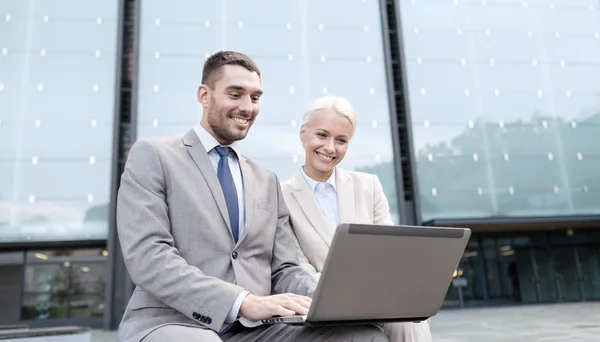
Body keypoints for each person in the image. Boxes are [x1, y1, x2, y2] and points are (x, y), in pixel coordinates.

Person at [115, 51, 388, 342]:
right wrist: (243, 301)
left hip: (256, 330)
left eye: (255, 98)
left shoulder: (266, 180)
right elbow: (149, 258)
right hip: (173, 323)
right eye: (236, 94)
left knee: (363, 335)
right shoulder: (154, 156)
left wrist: (334, 297)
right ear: (204, 95)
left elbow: (284, 268)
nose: (248, 107)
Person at [281, 96, 433, 342]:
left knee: (411, 322)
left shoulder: (368, 185)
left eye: (341, 140)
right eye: (322, 135)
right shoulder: (281, 196)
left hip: (378, 296)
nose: (330, 148)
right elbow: (296, 266)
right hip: (324, 303)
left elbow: (391, 250)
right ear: (303, 134)